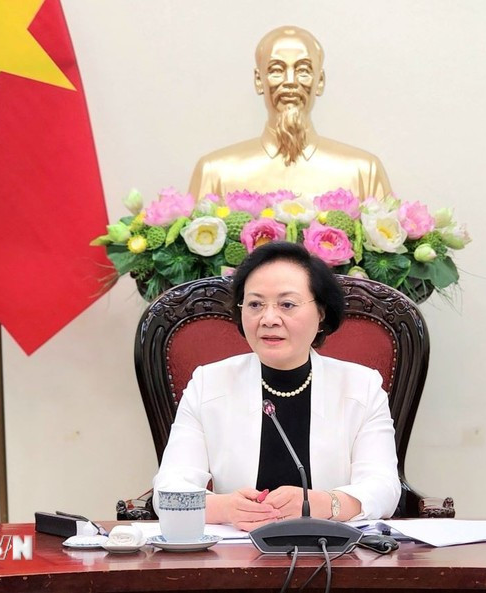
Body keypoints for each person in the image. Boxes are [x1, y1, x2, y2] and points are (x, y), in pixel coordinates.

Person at [153, 242, 401, 531]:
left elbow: (384, 488)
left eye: (287, 305)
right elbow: (168, 492)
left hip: (335, 556)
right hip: (236, 557)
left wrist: (323, 504)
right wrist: (225, 508)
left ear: (321, 312)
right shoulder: (208, 383)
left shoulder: (362, 386)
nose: (269, 319)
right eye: (255, 304)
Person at [188, 26, 393, 201]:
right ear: (259, 80)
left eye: (303, 70)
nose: (290, 81)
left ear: (319, 81)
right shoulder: (215, 173)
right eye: (276, 70)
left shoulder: (364, 172)